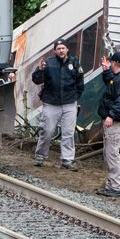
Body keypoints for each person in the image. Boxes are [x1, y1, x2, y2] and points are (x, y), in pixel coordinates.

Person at [32, 38, 84, 171]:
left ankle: (67, 160)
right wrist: (40, 69)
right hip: (51, 103)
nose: (61, 50)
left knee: (68, 133)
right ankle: (40, 156)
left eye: (63, 48)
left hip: (69, 103)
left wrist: (75, 97)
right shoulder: (48, 63)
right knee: (47, 131)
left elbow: (80, 83)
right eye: (58, 48)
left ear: (67, 49)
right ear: (55, 51)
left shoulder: (75, 63)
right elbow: (36, 80)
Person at [96, 51, 120, 197]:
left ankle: (118, 186)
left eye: (110, 63)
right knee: (109, 153)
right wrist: (106, 71)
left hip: (117, 121)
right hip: (115, 119)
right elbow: (112, 82)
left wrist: (111, 115)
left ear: (114, 63)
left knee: (112, 153)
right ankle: (112, 184)